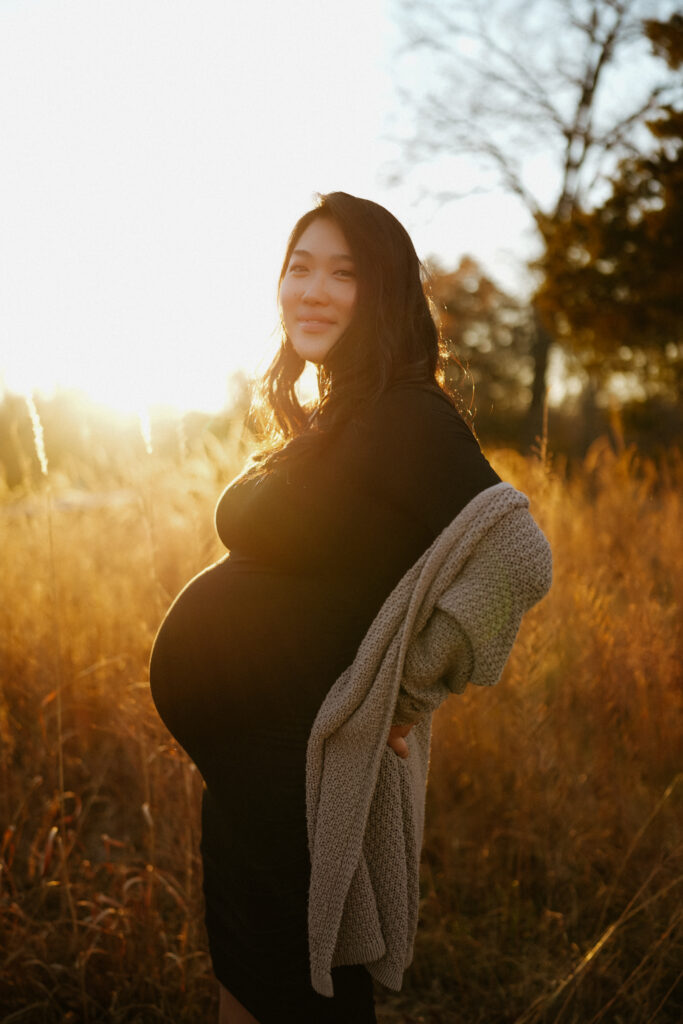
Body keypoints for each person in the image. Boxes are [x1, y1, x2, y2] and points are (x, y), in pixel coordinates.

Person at [149, 192, 552, 1023]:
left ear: (387, 294)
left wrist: (401, 690)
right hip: (246, 774)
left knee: (300, 994)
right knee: (248, 973)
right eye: (299, 268)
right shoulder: (340, 414)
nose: (312, 290)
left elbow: (518, 554)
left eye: (343, 273)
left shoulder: (408, 413)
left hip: (299, 770)